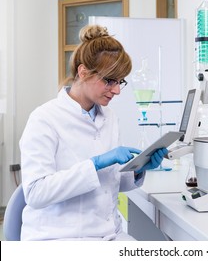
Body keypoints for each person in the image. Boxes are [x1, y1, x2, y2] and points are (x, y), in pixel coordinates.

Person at [19, 24, 168, 241]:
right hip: (59, 238)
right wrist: (95, 163)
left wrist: (137, 169)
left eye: (120, 82)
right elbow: (35, 193)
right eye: (109, 81)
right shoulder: (44, 119)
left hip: (108, 234)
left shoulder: (109, 117)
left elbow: (111, 182)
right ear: (83, 72)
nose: (116, 90)